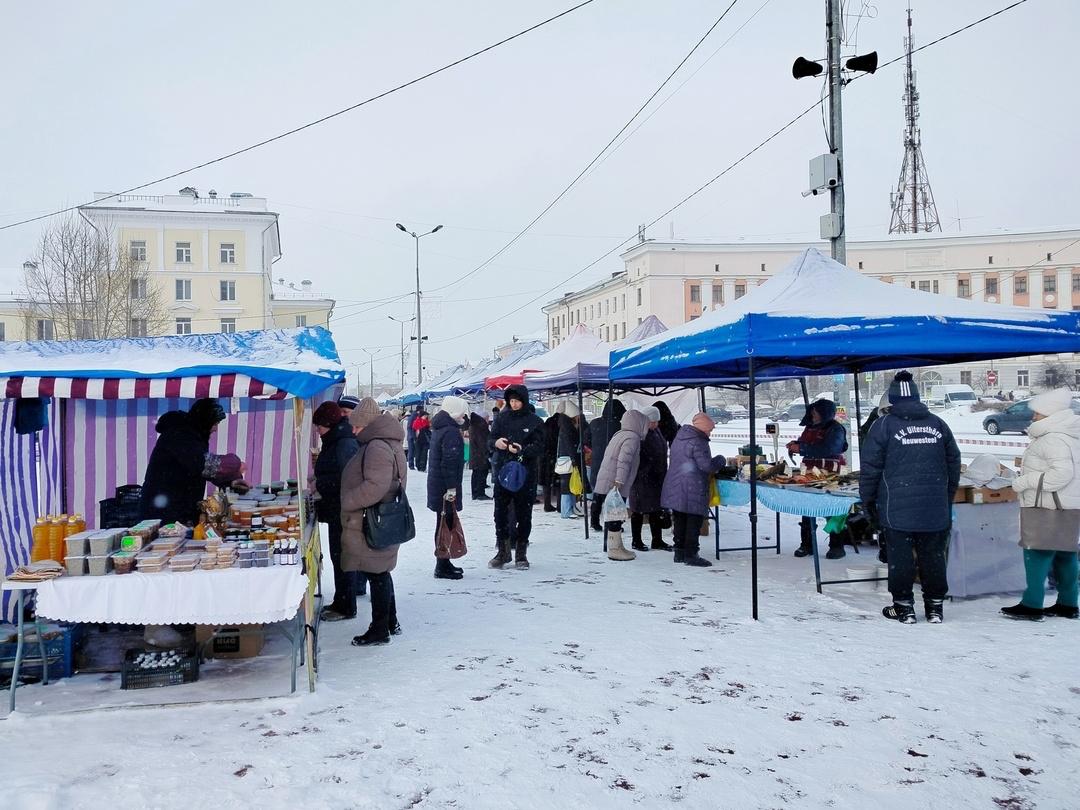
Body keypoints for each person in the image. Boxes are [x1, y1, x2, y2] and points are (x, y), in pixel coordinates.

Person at [860, 371, 961, 624]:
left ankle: (903, 607)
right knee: (933, 556)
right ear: (918, 396)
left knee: (900, 557)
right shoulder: (938, 424)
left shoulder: (883, 426)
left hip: (896, 506)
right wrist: (945, 496)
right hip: (934, 506)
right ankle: (935, 606)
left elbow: (870, 468)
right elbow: (954, 463)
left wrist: (868, 501)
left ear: (892, 399)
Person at [1001, 388, 1080, 621]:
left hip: (1046, 504)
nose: (1033, 417)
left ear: (1050, 414)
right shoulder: (1069, 434)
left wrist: (1022, 481)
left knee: (1036, 552)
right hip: (1067, 504)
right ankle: (1068, 603)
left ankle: (1032, 604)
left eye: (1037, 413)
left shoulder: (1052, 439)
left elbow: (1061, 474)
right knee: (1065, 553)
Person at [341, 398, 406, 645]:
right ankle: (391, 621)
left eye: (357, 427)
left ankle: (380, 629)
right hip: (384, 517)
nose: (354, 431)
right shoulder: (388, 442)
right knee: (381, 571)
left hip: (373, 519)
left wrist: (349, 500)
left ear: (368, 424)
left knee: (376, 574)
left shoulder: (377, 446)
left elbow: (376, 486)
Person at [139, 398, 246, 525]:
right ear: (204, 421)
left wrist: (231, 482)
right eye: (215, 423)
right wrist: (235, 463)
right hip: (162, 511)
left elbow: (200, 468)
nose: (215, 429)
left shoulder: (194, 434)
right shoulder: (179, 434)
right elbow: (203, 465)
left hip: (178, 507)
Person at [312, 402, 364, 621]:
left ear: (328, 424)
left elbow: (347, 478)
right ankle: (341, 601)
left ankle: (346, 606)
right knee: (338, 557)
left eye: (319, 426)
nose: (317, 430)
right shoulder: (336, 439)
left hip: (344, 510)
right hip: (337, 509)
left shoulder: (343, 443)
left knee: (343, 558)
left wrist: (320, 483)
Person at [487, 384, 545, 570]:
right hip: (503, 472)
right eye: (511, 401)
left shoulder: (535, 421)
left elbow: (540, 446)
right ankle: (503, 551)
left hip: (526, 474)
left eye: (517, 401)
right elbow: (490, 440)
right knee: (500, 513)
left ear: (524, 401)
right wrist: (497, 443)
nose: (514, 404)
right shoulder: (502, 419)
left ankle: (521, 553)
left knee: (523, 514)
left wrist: (523, 450)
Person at [661, 412, 727, 567]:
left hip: (677, 484)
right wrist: (720, 460)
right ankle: (691, 554)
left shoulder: (681, 437)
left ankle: (679, 552)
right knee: (693, 520)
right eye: (710, 429)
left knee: (680, 519)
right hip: (693, 486)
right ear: (703, 428)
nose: (711, 432)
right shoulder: (698, 441)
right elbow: (707, 466)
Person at [787, 399, 848, 559]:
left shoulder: (836, 428)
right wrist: (796, 444)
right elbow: (807, 443)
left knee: (834, 509)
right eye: (812, 413)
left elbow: (830, 448)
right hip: (808, 473)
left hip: (831, 474)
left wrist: (802, 448)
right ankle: (807, 544)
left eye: (816, 413)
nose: (813, 416)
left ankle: (837, 546)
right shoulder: (809, 427)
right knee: (807, 508)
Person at [594, 409, 650, 561]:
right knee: (615, 516)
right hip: (616, 484)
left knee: (613, 515)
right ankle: (615, 549)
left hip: (608, 480)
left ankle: (615, 546)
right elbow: (623, 461)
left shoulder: (620, 434)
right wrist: (619, 482)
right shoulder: (632, 438)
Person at [428, 396, 469, 581]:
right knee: (445, 524)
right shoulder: (451, 432)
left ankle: (444, 562)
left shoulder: (441, 428)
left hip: (438, 485)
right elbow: (449, 463)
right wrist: (451, 488)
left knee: (443, 523)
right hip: (445, 487)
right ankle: (442, 565)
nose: (463, 416)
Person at [630, 405, 672, 552]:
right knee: (638, 512)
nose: (656, 423)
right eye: (653, 421)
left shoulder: (656, 432)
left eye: (657, 421)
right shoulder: (639, 435)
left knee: (656, 510)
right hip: (642, 480)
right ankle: (636, 541)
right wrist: (646, 470)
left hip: (657, 479)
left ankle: (657, 540)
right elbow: (637, 458)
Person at [587, 398, 627, 531]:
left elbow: (586, 441)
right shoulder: (620, 426)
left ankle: (594, 520)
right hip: (614, 463)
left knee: (598, 494)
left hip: (597, 462)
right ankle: (613, 524)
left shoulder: (594, 423)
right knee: (615, 496)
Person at [557, 400, 583, 519]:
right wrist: (574, 458)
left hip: (566, 458)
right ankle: (566, 511)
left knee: (569, 484)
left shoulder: (565, 426)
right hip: (568, 459)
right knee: (568, 485)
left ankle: (569, 509)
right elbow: (569, 444)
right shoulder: (568, 428)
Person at [469, 410, 492, 501]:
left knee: (476, 474)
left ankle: (475, 492)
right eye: (487, 418)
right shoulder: (481, 426)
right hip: (480, 455)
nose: (488, 420)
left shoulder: (474, 425)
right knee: (481, 473)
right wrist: (488, 452)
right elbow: (483, 442)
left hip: (475, 454)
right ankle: (479, 493)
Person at [540, 410, 561, 512]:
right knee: (558, 481)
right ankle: (559, 504)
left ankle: (547, 504)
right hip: (555, 455)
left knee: (546, 482)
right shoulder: (560, 424)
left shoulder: (547, 423)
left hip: (544, 456)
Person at [412, 408, 432, 472]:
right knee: (418, 454)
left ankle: (423, 467)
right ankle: (418, 466)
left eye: (426, 416)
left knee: (424, 454)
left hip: (425, 441)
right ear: (421, 415)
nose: (426, 417)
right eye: (425, 416)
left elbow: (428, 432)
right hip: (418, 441)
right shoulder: (416, 422)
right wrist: (415, 439)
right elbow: (413, 431)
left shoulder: (427, 423)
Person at [405, 405, 419, 470]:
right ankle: (411, 465)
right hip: (412, 436)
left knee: (411, 451)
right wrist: (414, 436)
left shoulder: (412, 416)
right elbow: (412, 428)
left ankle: (411, 465)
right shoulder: (415, 417)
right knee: (412, 451)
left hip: (410, 436)